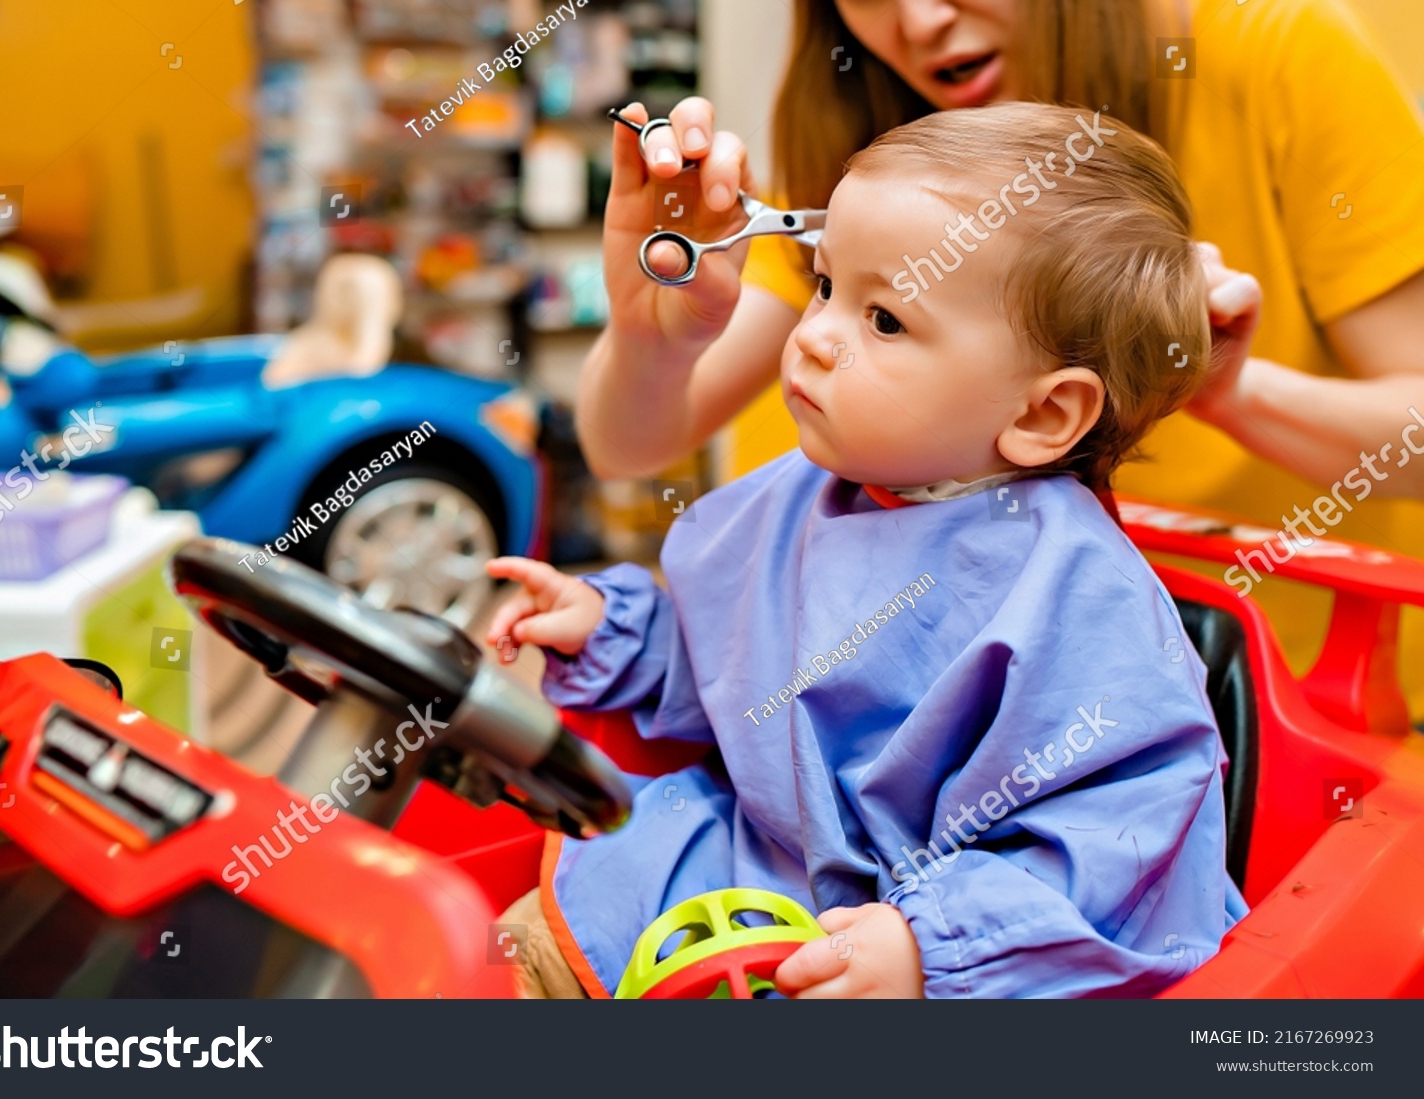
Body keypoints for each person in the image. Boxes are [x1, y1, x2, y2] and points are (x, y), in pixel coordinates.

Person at [489, 103, 1245, 999]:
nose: (811, 334)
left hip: (931, 965)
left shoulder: (1077, 599)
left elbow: (1112, 840)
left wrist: (932, 949)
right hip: (746, 874)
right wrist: (615, 633)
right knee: (500, 950)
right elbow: (731, 665)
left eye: (883, 320)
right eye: (823, 285)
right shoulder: (803, 492)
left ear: (1042, 414)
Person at [575, 0, 1424, 710]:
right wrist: (654, 336)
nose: (922, 20)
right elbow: (629, 445)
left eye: (889, 318)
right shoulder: (878, 138)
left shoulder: (1277, 50)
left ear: (1051, 410)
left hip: (1293, 721)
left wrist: (1227, 392)